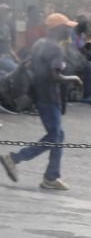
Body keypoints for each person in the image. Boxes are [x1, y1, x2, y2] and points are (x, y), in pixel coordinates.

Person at [3, 12, 82, 190]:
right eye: (67, 27)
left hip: (39, 96)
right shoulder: (55, 48)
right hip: (49, 97)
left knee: (58, 135)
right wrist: (73, 78)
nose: (69, 30)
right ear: (59, 28)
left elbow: (31, 66)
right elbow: (54, 76)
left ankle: (51, 176)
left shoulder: (40, 44)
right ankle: (15, 158)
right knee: (55, 136)